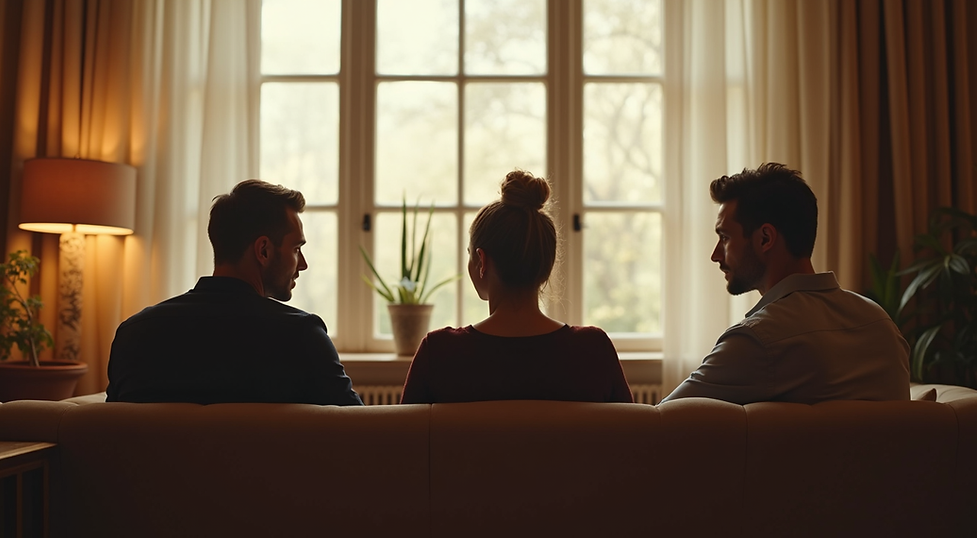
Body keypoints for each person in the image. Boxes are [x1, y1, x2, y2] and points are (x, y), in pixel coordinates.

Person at [660, 163, 910, 404]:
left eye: (725, 237)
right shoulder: (882, 326)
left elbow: (656, 427)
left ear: (765, 238)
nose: (715, 255)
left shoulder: (757, 341)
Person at [106, 179, 362, 405]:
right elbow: (364, 435)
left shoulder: (134, 334)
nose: (303, 264)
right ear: (263, 250)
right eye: (296, 249)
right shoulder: (301, 336)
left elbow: (109, 438)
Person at [400, 170, 633, 404]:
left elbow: (402, 438)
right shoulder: (593, 351)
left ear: (482, 261)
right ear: (547, 263)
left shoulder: (439, 353)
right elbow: (633, 436)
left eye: (470, 255)